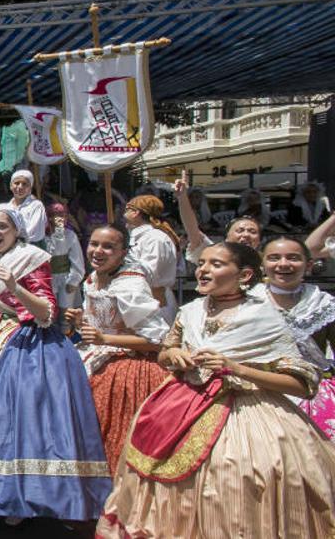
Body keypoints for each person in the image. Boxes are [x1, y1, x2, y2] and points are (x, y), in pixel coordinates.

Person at [96, 242, 335, 538]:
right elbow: (166, 350)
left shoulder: (264, 317)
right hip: (179, 405)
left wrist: (238, 368)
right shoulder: (190, 311)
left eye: (216, 264)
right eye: (201, 264)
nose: (203, 270)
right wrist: (174, 357)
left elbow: (302, 384)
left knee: (237, 477)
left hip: (247, 413)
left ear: (244, 275)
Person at [0, 207, 110, 523]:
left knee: (15, 410)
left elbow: (47, 312)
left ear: (17, 230)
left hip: (24, 338)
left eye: (2, 227)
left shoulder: (32, 257)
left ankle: (18, 494)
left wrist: (14, 286)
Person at [65, 225, 170, 473]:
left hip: (128, 364)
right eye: (94, 244)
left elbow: (157, 340)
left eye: (108, 247)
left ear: (123, 253)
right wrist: (80, 320)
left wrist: (106, 339)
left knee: (114, 430)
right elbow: (102, 322)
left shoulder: (130, 285)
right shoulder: (92, 278)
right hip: (92, 355)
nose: (98, 251)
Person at [259, 236, 335, 440]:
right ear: (262, 263)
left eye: (293, 258)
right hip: (259, 389)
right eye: (274, 258)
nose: (283, 264)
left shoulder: (324, 304)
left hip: (312, 392)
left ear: (309, 264)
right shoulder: (247, 303)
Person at [176, 171, 262, 261]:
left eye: (252, 231)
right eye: (240, 230)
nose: (246, 235)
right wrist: (182, 197)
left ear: (259, 240)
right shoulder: (214, 254)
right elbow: (193, 230)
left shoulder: (265, 263)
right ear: (227, 237)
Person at [124, 194, 180, 322]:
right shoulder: (139, 237)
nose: (123, 213)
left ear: (135, 213)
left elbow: (150, 273)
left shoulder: (154, 238)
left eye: (127, 209)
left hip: (154, 300)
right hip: (137, 298)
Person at [44, 203, 84, 313]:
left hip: (65, 279)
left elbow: (77, 259)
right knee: (49, 310)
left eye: (64, 216)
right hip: (47, 279)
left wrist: (74, 280)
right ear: (49, 218)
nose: (61, 219)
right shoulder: (42, 236)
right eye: (57, 216)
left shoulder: (70, 235)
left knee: (65, 311)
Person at [7, 170, 47, 244]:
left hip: (32, 246)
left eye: (25, 184)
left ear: (30, 188)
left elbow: (33, 229)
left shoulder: (36, 206)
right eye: (16, 183)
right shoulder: (7, 207)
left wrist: (14, 238)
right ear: (11, 186)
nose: (20, 186)